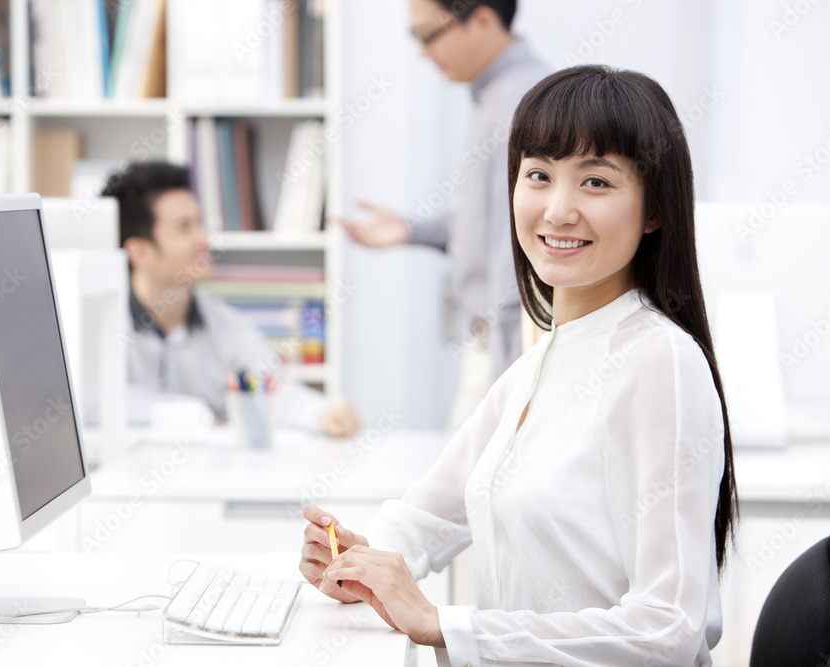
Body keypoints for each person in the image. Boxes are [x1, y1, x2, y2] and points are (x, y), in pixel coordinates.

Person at [299, 66, 739, 666]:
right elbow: (430, 512)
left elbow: (670, 626)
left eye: (596, 183)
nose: (558, 210)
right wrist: (358, 556)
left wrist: (442, 623)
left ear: (654, 208)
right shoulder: (544, 360)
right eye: (538, 175)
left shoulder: (660, 362)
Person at [334, 0, 551, 431]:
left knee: (458, 492)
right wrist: (412, 230)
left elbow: (520, 245)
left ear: (483, 20)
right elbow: (493, 220)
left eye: (427, 34)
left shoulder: (518, 103)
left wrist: (508, 377)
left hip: (505, 350)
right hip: (496, 345)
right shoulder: (496, 96)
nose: (421, 51)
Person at [101, 161, 360, 437]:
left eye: (199, 223)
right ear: (140, 252)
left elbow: (272, 387)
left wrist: (323, 413)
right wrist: (191, 415)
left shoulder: (224, 323)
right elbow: (87, 402)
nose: (203, 238)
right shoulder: (101, 325)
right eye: (184, 227)